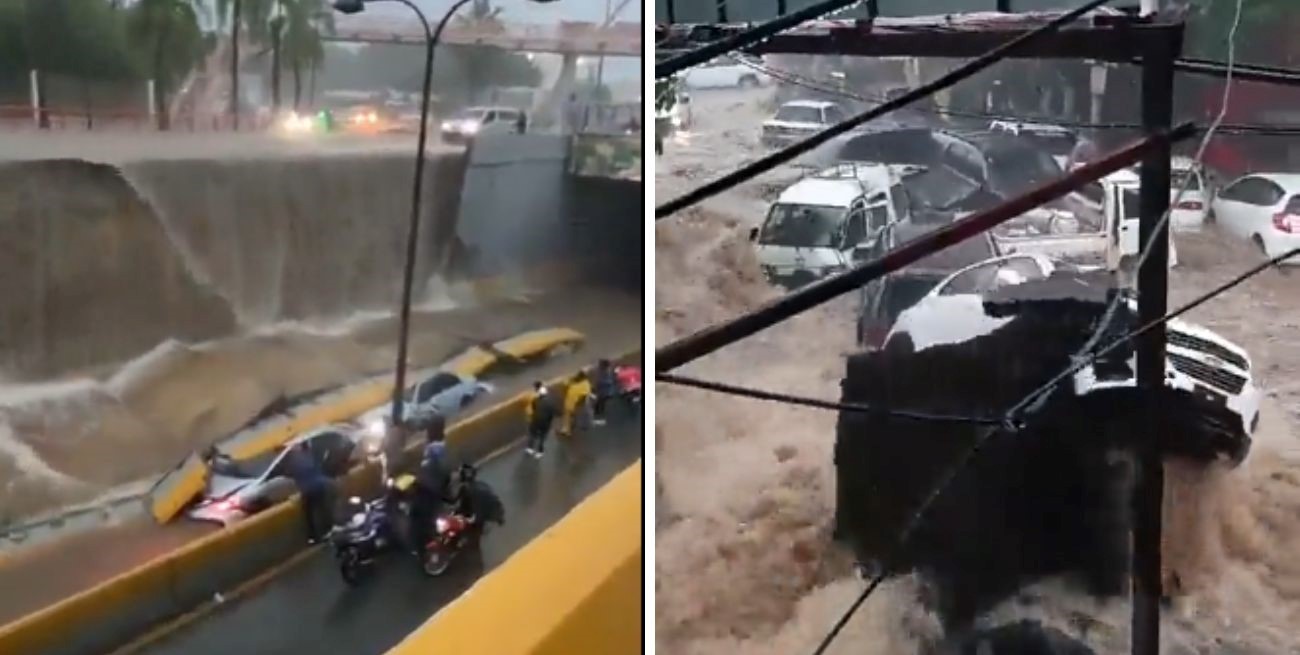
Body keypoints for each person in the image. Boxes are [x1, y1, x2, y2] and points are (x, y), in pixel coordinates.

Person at [409, 418, 451, 558]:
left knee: (421, 515)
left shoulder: (436, 448)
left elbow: (443, 469)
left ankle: (426, 545)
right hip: (427, 486)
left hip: (430, 488)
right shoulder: (434, 447)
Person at [283, 442, 334, 545]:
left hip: (308, 489)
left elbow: (290, 474)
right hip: (316, 486)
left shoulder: (293, 460)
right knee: (322, 509)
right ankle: (327, 531)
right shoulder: (308, 455)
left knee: (311, 514)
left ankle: (314, 536)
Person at [524, 381, 556, 459]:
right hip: (545, 423)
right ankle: (540, 452)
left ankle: (530, 448)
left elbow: (534, 409)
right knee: (542, 437)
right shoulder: (550, 402)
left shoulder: (536, 400)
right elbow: (552, 414)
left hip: (535, 421)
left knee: (532, 434)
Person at [559, 370, 593, 439]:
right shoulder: (586, 383)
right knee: (571, 416)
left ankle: (567, 431)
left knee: (568, 417)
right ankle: (570, 427)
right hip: (575, 405)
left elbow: (564, 385)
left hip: (572, 405)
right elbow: (585, 395)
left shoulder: (574, 384)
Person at [592, 359, 617, 425]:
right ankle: (599, 409)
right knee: (601, 401)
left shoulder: (606, 372)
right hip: (604, 391)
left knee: (600, 401)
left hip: (604, 392)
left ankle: (597, 410)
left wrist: (598, 385)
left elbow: (604, 381)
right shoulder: (605, 371)